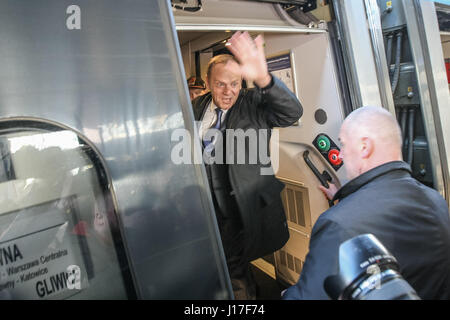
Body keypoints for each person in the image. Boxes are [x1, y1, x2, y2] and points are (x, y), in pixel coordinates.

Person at [283, 106, 450, 300]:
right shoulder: (435, 200)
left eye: (343, 145)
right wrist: (347, 200)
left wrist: (290, 294)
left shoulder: (338, 223)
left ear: (365, 147)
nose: (342, 155)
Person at [191, 31, 302, 299]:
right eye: (220, 84)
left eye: (236, 83)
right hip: (207, 207)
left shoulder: (254, 103)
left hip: (243, 204)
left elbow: (292, 113)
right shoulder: (195, 107)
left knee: (233, 266)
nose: (228, 91)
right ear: (207, 82)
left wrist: (264, 78)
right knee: (219, 263)